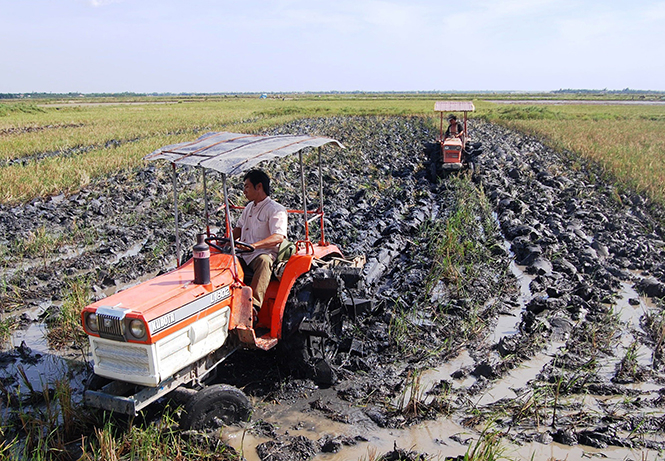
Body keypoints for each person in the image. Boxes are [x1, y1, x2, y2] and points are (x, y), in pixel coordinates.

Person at [232, 169, 287, 315]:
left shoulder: (276, 210)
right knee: (225, 259)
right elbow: (238, 228)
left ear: (259, 187)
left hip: (261, 253)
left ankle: (253, 309)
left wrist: (254, 246)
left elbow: (278, 237)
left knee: (264, 262)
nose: (244, 191)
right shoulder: (249, 207)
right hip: (243, 253)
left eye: (247, 186)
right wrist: (227, 242)